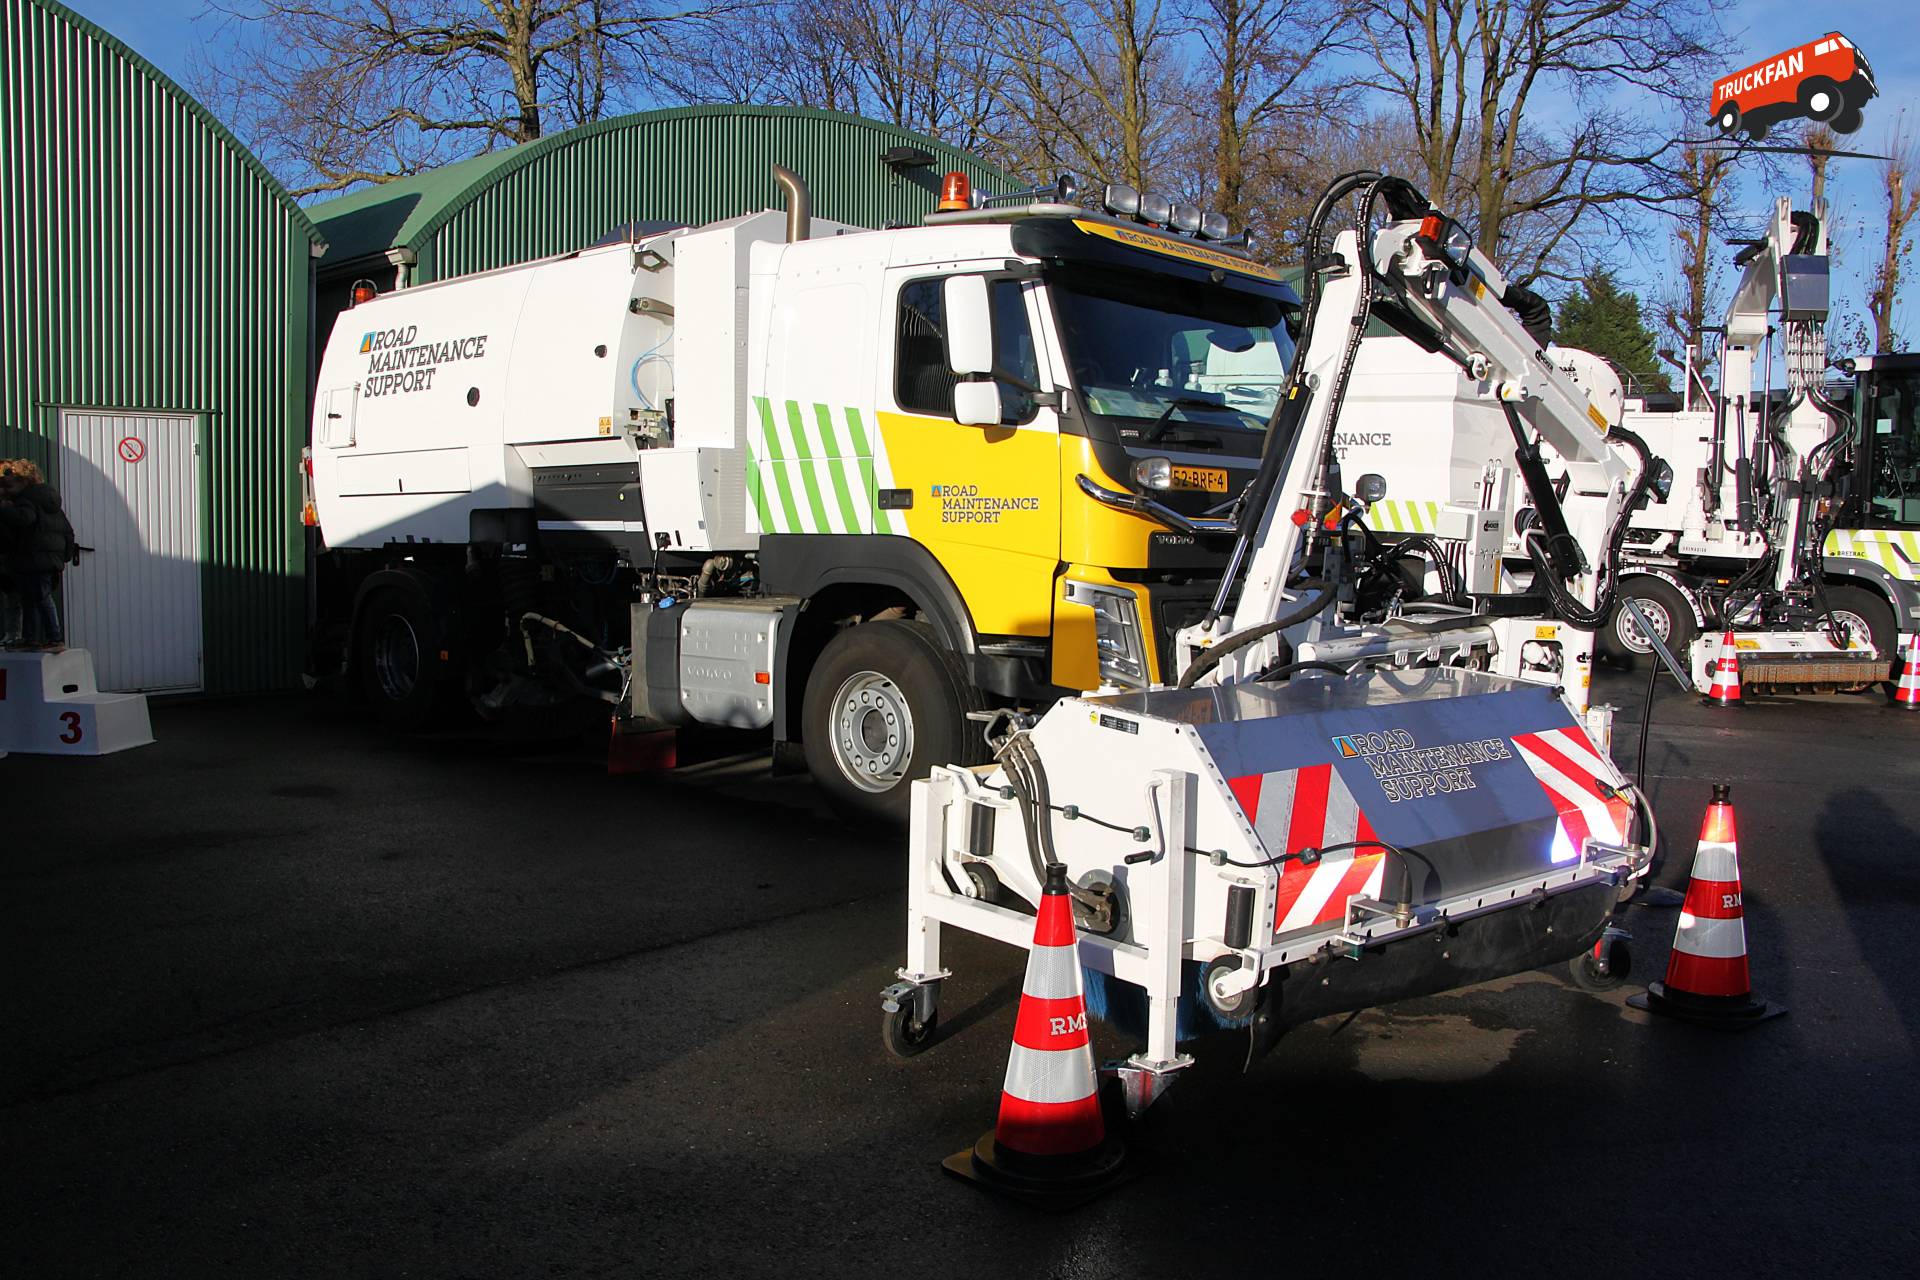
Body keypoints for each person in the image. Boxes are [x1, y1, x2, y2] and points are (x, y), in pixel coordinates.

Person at [0, 459, 76, 652]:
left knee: (40, 598)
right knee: (32, 599)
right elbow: (67, 531)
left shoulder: (26, 500)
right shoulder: (49, 503)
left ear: (24, 482)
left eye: (10, 485)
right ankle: (32, 638)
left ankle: (53, 638)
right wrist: (63, 558)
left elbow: (24, 519)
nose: (7, 489)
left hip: (34, 559)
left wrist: (5, 509)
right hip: (46, 561)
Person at [0, 461, 23, 646]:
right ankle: (12, 634)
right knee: (12, 599)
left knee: (15, 599)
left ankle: (15, 635)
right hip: (9, 557)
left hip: (14, 557)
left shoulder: (17, 504)